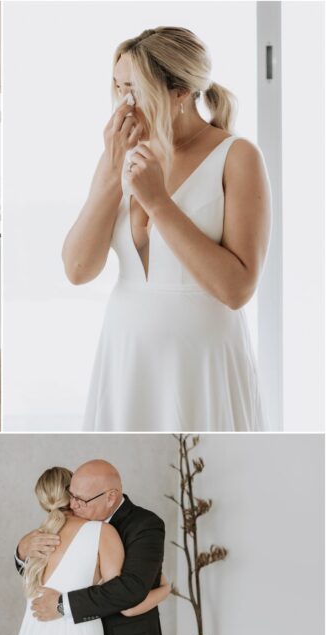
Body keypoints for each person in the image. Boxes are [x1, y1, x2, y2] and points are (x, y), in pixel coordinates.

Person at [62, 27, 270, 431]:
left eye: (135, 89)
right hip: (127, 354)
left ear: (180, 92)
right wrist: (110, 166)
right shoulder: (121, 155)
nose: (123, 103)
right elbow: (77, 269)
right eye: (118, 86)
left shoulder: (237, 156)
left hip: (202, 362)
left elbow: (237, 289)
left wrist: (158, 201)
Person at [7, 460, 170, 635]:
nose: (76, 504)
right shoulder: (58, 528)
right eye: (72, 496)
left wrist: (62, 604)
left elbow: (129, 590)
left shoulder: (145, 525)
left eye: (82, 499)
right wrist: (22, 550)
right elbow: (47, 576)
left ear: (111, 496)